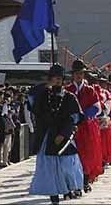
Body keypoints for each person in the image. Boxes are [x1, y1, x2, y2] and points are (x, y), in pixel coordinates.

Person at [29, 64, 84, 205]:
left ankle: (68, 189)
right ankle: (53, 194)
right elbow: (30, 98)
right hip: (46, 135)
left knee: (67, 165)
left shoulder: (69, 97)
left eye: (60, 78)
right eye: (54, 77)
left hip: (63, 135)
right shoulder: (42, 95)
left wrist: (64, 133)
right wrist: (47, 85)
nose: (58, 80)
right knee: (49, 167)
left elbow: (75, 118)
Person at [65, 59, 102, 192]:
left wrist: (84, 114)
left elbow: (97, 107)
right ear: (73, 75)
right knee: (73, 155)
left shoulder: (90, 90)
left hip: (86, 126)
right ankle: (73, 183)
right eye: (76, 73)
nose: (79, 75)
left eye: (81, 73)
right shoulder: (67, 90)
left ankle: (85, 181)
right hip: (71, 127)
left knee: (87, 154)